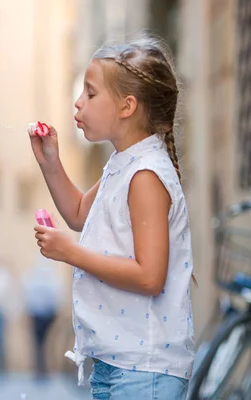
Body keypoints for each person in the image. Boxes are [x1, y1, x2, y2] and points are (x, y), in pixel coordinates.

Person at [29, 35, 195, 399]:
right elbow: (76, 214)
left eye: (90, 93)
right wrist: (51, 163)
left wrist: (70, 253)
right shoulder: (123, 165)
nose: (78, 102)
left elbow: (150, 276)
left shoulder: (146, 175)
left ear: (126, 106)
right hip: (119, 364)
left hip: (145, 368)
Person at [23, 253, 62, 381]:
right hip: (42, 315)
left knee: (41, 343)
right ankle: (41, 369)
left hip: (42, 315)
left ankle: (42, 369)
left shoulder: (34, 279)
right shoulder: (48, 279)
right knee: (42, 343)